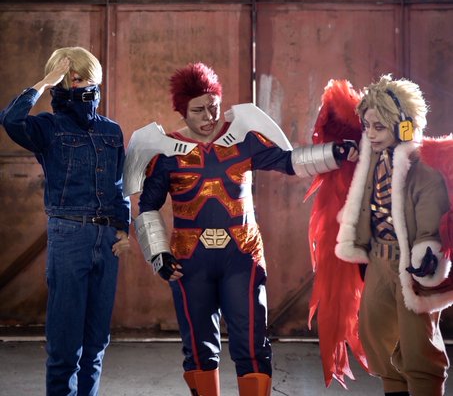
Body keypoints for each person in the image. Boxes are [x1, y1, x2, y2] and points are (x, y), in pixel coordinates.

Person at [124, 61, 357, 396]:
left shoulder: (243, 140)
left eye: (214, 107)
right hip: (190, 260)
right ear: (182, 111)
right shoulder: (166, 153)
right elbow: (147, 206)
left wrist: (334, 153)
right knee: (198, 348)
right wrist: (158, 254)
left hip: (242, 256)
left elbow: (288, 161)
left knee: (252, 343)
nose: (209, 117)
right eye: (198, 110)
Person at [0, 46, 130, 396]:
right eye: (68, 77)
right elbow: (10, 120)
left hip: (107, 238)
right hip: (69, 235)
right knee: (64, 346)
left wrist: (124, 229)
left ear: (95, 79)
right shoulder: (48, 127)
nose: (76, 83)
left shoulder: (111, 131)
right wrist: (45, 82)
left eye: (82, 76)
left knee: (96, 343)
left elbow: (118, 184)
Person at [335, 74, 453, 396]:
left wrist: (428, 253)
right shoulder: (369, 163)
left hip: (411, 266)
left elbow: (431, 221)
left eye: (379, 127)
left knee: (418, 344)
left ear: (404, 126)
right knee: (376, 335)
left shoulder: (423, 172)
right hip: (378, 260)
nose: (371, 133)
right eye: (367, 126)